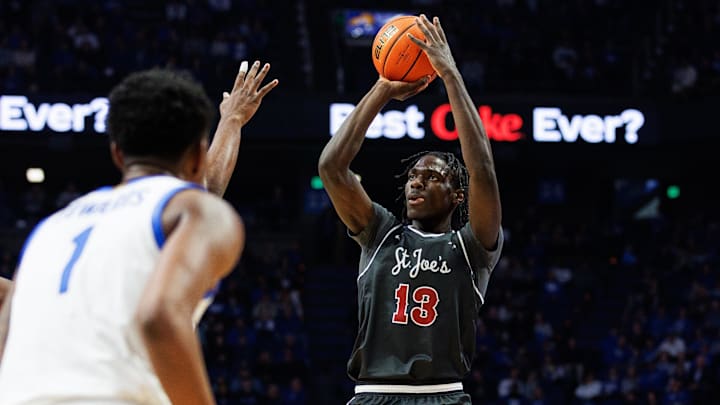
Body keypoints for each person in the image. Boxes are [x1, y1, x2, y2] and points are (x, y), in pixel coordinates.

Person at [0, 61, 278, 404]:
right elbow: (159, 317)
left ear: (117, 153)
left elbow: (7, 328)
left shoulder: (51, 228)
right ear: (197, 155)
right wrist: (231, 120)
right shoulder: (193, 212)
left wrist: (232, 121)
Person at [318, 14, 503, 404]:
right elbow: (332, 168)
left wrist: (450, 75)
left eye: (432, 177)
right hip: (373, 394)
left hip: (443, 395)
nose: (416, 181)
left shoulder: (472, 249)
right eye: (413, 176)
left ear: (458, 196)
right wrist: (382, 90)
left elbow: (482, 170)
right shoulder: (380, 232)